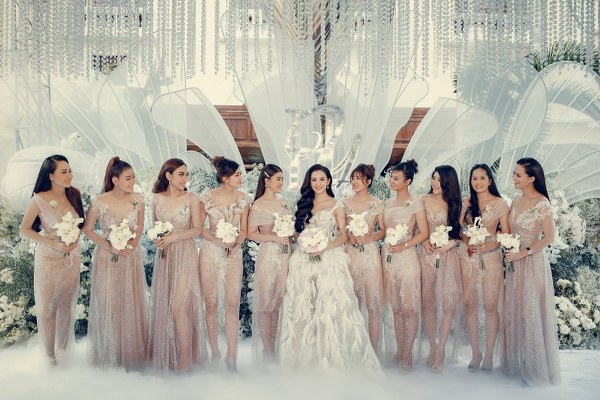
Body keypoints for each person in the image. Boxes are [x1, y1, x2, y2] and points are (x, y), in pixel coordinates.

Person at [278, 164, 380, 371]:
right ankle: (305, 359)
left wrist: (322, 247)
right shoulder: (303, 204)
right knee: (305, 306)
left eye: (322, 179)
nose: (318, 183)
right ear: (309, 182)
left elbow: (343, 235)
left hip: (329, 259)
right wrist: (302, 239)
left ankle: (332, 356)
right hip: (303, 260)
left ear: (329, 181)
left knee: (329, 307)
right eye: (314, 180)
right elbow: (297, 234)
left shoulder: (336, 205)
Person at [82, 156, 149, 368]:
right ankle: (110, 354)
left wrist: (132, 245)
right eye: (128, 178)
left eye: (133, 177)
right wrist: (110, 246)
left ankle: (129, 354)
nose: (132, 181)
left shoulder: (138, 198)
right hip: (108, 257)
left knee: (131, 302)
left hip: (130, 257)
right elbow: (88, 229)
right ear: (115, 180)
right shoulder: (99, 201)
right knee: (111, 303)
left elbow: (139, 226)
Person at [19, 155, 83, 364]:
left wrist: (74, 240)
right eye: (63, 172)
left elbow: (80, 224)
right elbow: (24, 228)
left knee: (66, 305)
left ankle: (64, 351)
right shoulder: (38, 199)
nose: (69, 175)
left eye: (70, 170)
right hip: (48, 258)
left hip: (72, 257)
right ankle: (50, 357)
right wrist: (52, 243)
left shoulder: (75, 194)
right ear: (51, 176)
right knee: (48, 308)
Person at [503, 157, 561, 385]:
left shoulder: (542, 203)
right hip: (514, 264)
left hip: (532, 262)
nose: (514, 178)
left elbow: (549, 237)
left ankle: (535, 370)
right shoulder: (516, 199)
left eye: (518, 175)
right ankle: (518, 364)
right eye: (514, 173)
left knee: (530, 312)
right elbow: (509, 229)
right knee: (515, 311)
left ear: (532, 178)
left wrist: (524, 252)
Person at [149, 158, 207, 371]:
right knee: (166, 306)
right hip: (165, 257)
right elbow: (153, 227)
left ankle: (184, 359)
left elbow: (197, 229)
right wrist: (158, 240)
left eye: (186, 174)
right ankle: (169, 355)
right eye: (181, 174)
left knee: (178, 307)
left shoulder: (192, 197)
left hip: (185, 254)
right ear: (168, 175)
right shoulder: (156, 198)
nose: (185, 179)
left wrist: (172, 237)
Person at [198, 156, 251, 371]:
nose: (240, 178)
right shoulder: (207, 197)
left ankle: (232, 356)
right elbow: (200, 228)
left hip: (233, 255)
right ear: (225, 177)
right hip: (210, 252)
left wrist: (235, 246)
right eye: (237, 175)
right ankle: (215, 352)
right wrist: (218, 241)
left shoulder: (243, 199)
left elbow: (244, 230)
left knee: (232, 304)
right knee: (211, 304)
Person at [459, 164, 509, 371]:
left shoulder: (500, 204)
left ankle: (488, 354)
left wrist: (490, 245)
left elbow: (506, 233)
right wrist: (467, 239)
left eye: (482, 178)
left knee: (490, 306)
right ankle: (475, 353)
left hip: (491, 258)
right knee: (470, 305)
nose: (478, 182)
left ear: (490, 180)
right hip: (468, 258)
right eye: (474, 178)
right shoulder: (467, 203)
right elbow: (458, 230)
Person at [381, 159, 428, 369]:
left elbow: (424, 233)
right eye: (391, 177)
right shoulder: (387, 203)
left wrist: (404, 245)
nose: (391, 181)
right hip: (388, 257)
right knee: (396, 308)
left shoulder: (416, 202)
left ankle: (408, 353)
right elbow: (383, 231)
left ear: (407, 181)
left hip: (407, 256)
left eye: (396, 178)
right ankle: (400, 351)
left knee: (409, 308)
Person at [419, 165, 463, 371]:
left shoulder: (457, 204)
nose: (434, 183)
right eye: (433, 178)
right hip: (426, 256)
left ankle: (442, 347)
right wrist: (424, 241)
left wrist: (449, 245)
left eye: (439, 180)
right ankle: (433, 346)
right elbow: (417, 230)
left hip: (448, 257)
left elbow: (459, 234)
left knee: (447, 305)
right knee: (427, 303)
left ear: (448, 182)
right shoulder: (422, 200)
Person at [247, 164, 292, 362]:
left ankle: (281, 347)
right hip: (268, 256)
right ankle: (268, 349)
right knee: (267, 303)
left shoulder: (285, 202)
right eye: (278, 179)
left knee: (282, 301)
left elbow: (291, 229)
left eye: (282, 179)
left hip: (286, 256)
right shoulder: (258, 205)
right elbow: (251, 233)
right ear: (267, 181)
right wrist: (274, 237)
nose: (281, 182)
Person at [343, 164, 385, 350]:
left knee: (373, 303)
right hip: (351, 254)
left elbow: (382, 230)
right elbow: (341, 230)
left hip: (370, 255)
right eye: (352, 178)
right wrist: (348, 237)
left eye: (358, 178)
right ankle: (354, 348)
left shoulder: (377, 203)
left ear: (368, 181)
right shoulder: (344, 203)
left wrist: (369, 237)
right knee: (353, 302)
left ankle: (373, 350)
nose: (354, 182)